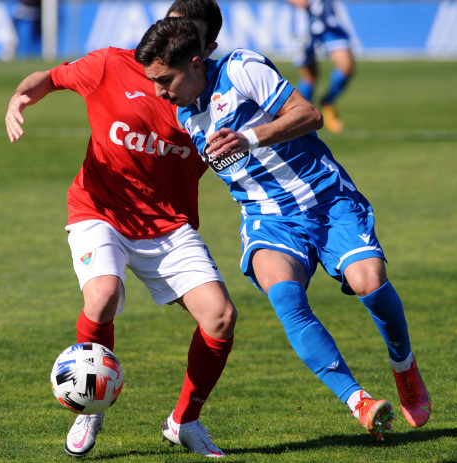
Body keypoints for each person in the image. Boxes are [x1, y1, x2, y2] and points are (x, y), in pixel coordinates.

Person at [135, 17, 430, 441]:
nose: (160, 92)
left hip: (325, 198)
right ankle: (359, 402)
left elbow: (308, 115)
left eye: (166, 80)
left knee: (371, 282)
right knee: (285, 295)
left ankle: (404, 366)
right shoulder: (183, 115)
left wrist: (249, 138)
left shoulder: (240, 69)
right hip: (267, 218)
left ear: (197, 64)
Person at [5, 0, 233, 457]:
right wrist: (20, 96)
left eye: (190, 37)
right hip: (100, 210)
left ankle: (185, 421)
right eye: (172, 29)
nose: (176, 41)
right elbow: (50, 78)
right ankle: (91, 401)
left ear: (205, 49)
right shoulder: (111, 64)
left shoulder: (225, 93)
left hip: (169, 225)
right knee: (103, 295)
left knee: (220, 317)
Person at [285, 0, 354, 133]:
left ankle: (328, 101)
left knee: (347, 66)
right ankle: (301, 117)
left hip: (329, 23)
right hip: (303, 28)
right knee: (310, 76)